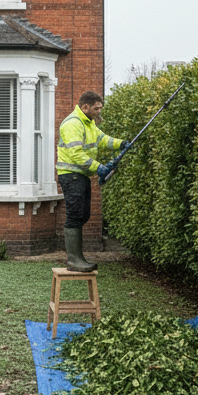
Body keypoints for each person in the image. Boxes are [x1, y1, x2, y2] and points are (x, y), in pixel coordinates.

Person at [55, 91, 128, 272]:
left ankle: (78, 258)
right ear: (85, 107)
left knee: (83, 214)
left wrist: (121, 144)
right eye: (96, 108)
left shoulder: (88, 123)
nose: (99, 111)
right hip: (71, 175)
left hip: (81, 175)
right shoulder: (73, 124)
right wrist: (99, 168)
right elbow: (76, 154)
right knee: (74, 215)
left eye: (100, 108)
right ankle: (74, 260)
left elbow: (102, 139)